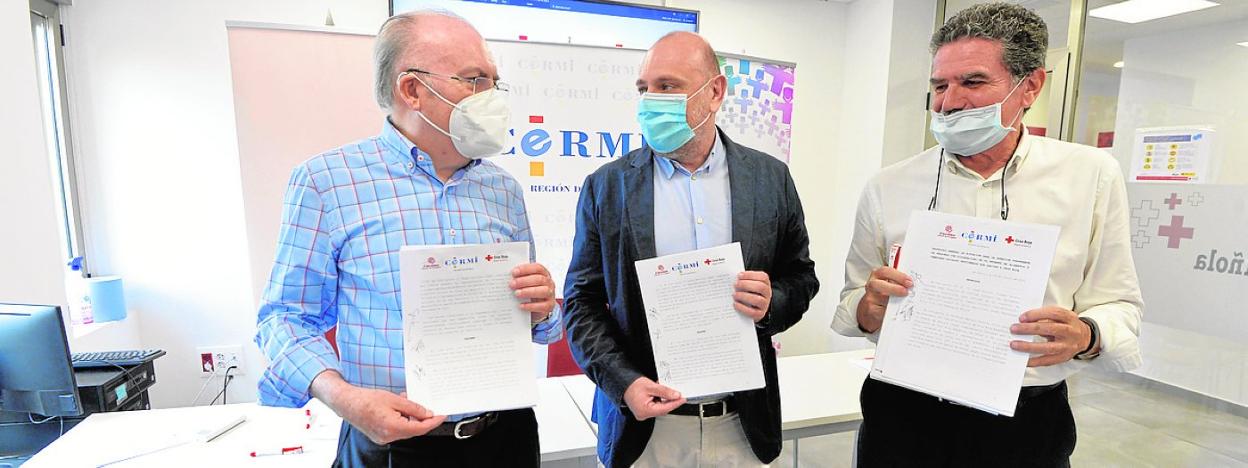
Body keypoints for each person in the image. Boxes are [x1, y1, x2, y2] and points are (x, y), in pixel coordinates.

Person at [832, 3, 1143, 466]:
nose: (949, 102)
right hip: (902, 411)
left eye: (973, 82)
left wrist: (1088, 333)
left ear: (1030, 86)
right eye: (940, 85)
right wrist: (867, 307)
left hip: (1024, 419)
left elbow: (1119, 301)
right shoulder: (888, 186)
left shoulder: (1090, 176)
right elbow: (854, 299)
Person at [254, 11, 561, 467]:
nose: (491, 97)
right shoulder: (327, 183)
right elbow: (283, 319)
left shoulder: (503, 190)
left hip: (505, 436)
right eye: (475, 80)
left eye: (495, 82)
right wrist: (345, 398)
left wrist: (543, 308)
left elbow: (541, 326)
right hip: (391, 447)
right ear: (412, 89)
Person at [563, 31, 820, 467]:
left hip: (742, 424)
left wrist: (771, 302)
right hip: (644, 432)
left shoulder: (770, 179)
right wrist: (624, 383)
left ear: (715, 91)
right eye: (644, 88)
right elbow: (581, 302)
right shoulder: (607, 187)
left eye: (667, 86)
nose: (650, 101)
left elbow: (802, 278)